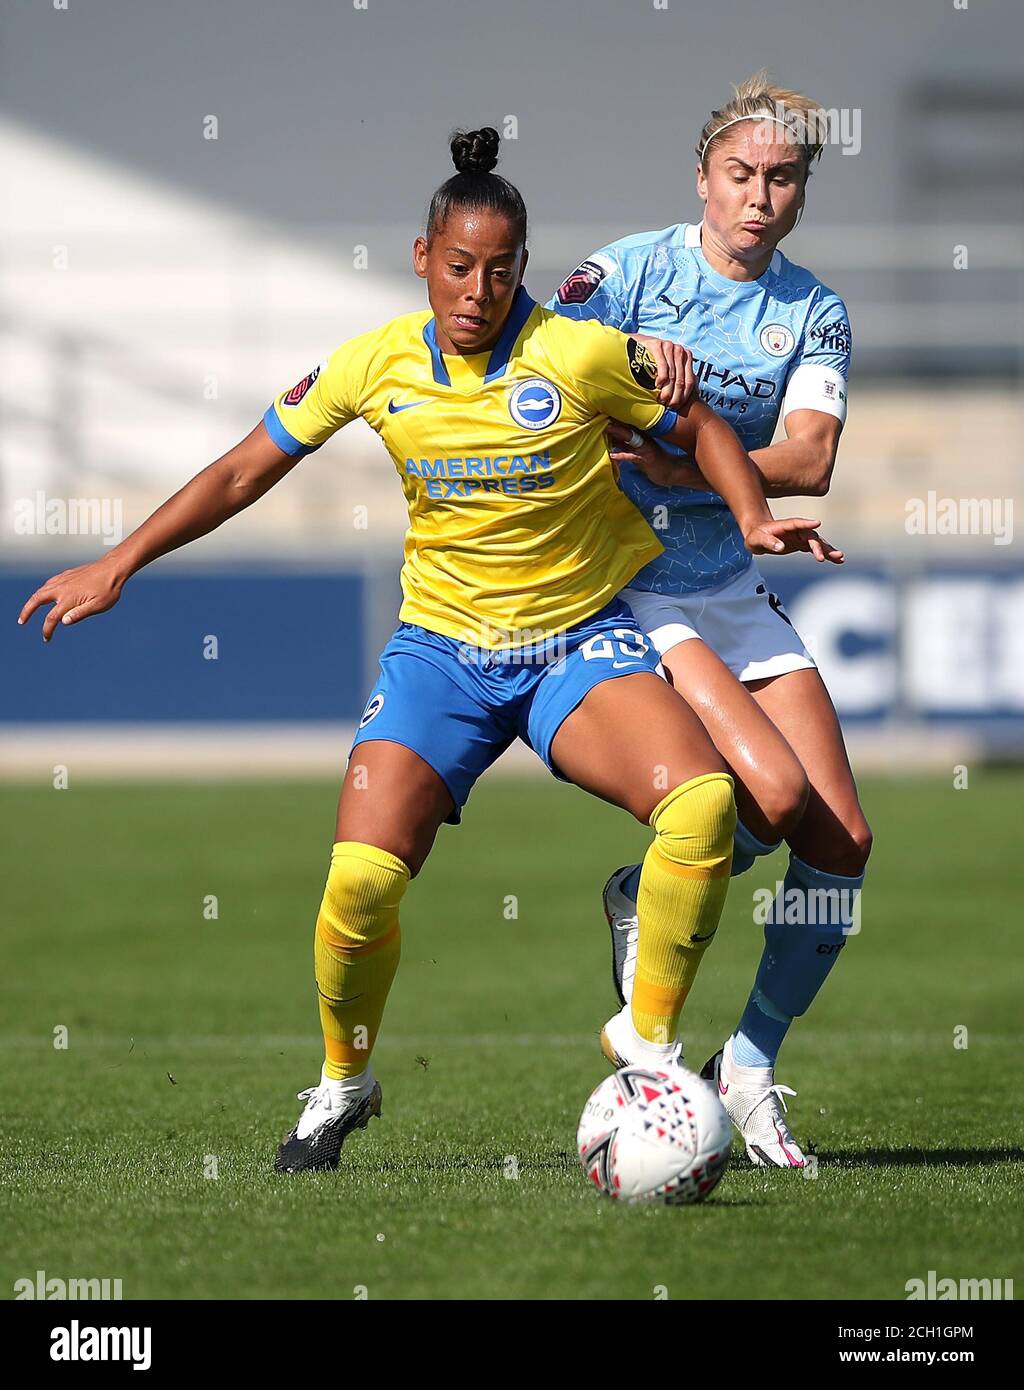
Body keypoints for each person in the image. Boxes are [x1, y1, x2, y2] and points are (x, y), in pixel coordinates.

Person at [19, 127, 839, 1175]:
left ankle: (647, 1049)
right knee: (359, 885)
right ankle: (343, 1080)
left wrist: (749, 512)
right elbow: (240, 471)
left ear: (522, 270)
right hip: (440, 659)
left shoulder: (579, 351)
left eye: (500, 270)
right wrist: (120, 561)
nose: (478, 288)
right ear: (423, 259)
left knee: (703, 805)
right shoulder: (374, 362)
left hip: (573, 644)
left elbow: (696, 423)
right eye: (459, 266)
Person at [550, 73, 869, 1168]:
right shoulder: (625, 274)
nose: (758, 196)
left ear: (801, 192)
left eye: (782, 178)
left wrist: (671, 461)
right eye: (739, 174)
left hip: (730, 584)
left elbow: (809, 459)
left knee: (842, 842)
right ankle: (645, 892)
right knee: (769, 797)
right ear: (702, 177)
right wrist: (711, 467)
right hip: (632, 582)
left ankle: (749, 1063)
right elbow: (550, 405)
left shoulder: (812, 310)